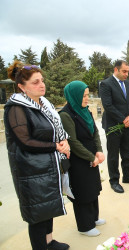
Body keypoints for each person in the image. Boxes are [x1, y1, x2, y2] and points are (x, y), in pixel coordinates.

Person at [4, 61, 70, 250]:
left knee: (47, 208)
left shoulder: (44, 103)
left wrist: (64, 140)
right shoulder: (16, 108)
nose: (42, 85)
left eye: (42, 80)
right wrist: (56, 146)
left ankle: (49, 242)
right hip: (30, 170)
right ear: (21, 87)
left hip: (47, 166)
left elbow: (55, 129)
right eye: (35, 82)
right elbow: (25, 141)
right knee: (37, 214)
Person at [59, 81, 105, 237]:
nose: (87, 99)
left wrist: (98, 151)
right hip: (79, 159)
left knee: (93, 187)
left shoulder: (85, 111)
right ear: (75, 96)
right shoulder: (66, 115)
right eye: (84, 96)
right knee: (82, 191)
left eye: (87, 95)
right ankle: (85, 226)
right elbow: (73, 142)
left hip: (91, 156)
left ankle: (94, 217)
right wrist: (91, 157)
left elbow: (95, 132)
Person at [100, 60, 129, 194]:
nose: (126, 74)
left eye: (127, 71)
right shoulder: (106, 84)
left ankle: (127, 177)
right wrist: (123, 119)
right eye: (124, 71)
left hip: (127, 125)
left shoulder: (128, 84)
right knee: (113, 155)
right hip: (113, 126)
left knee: (126, 153)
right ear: (116, 70)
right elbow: (108, 105)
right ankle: (114, 181)